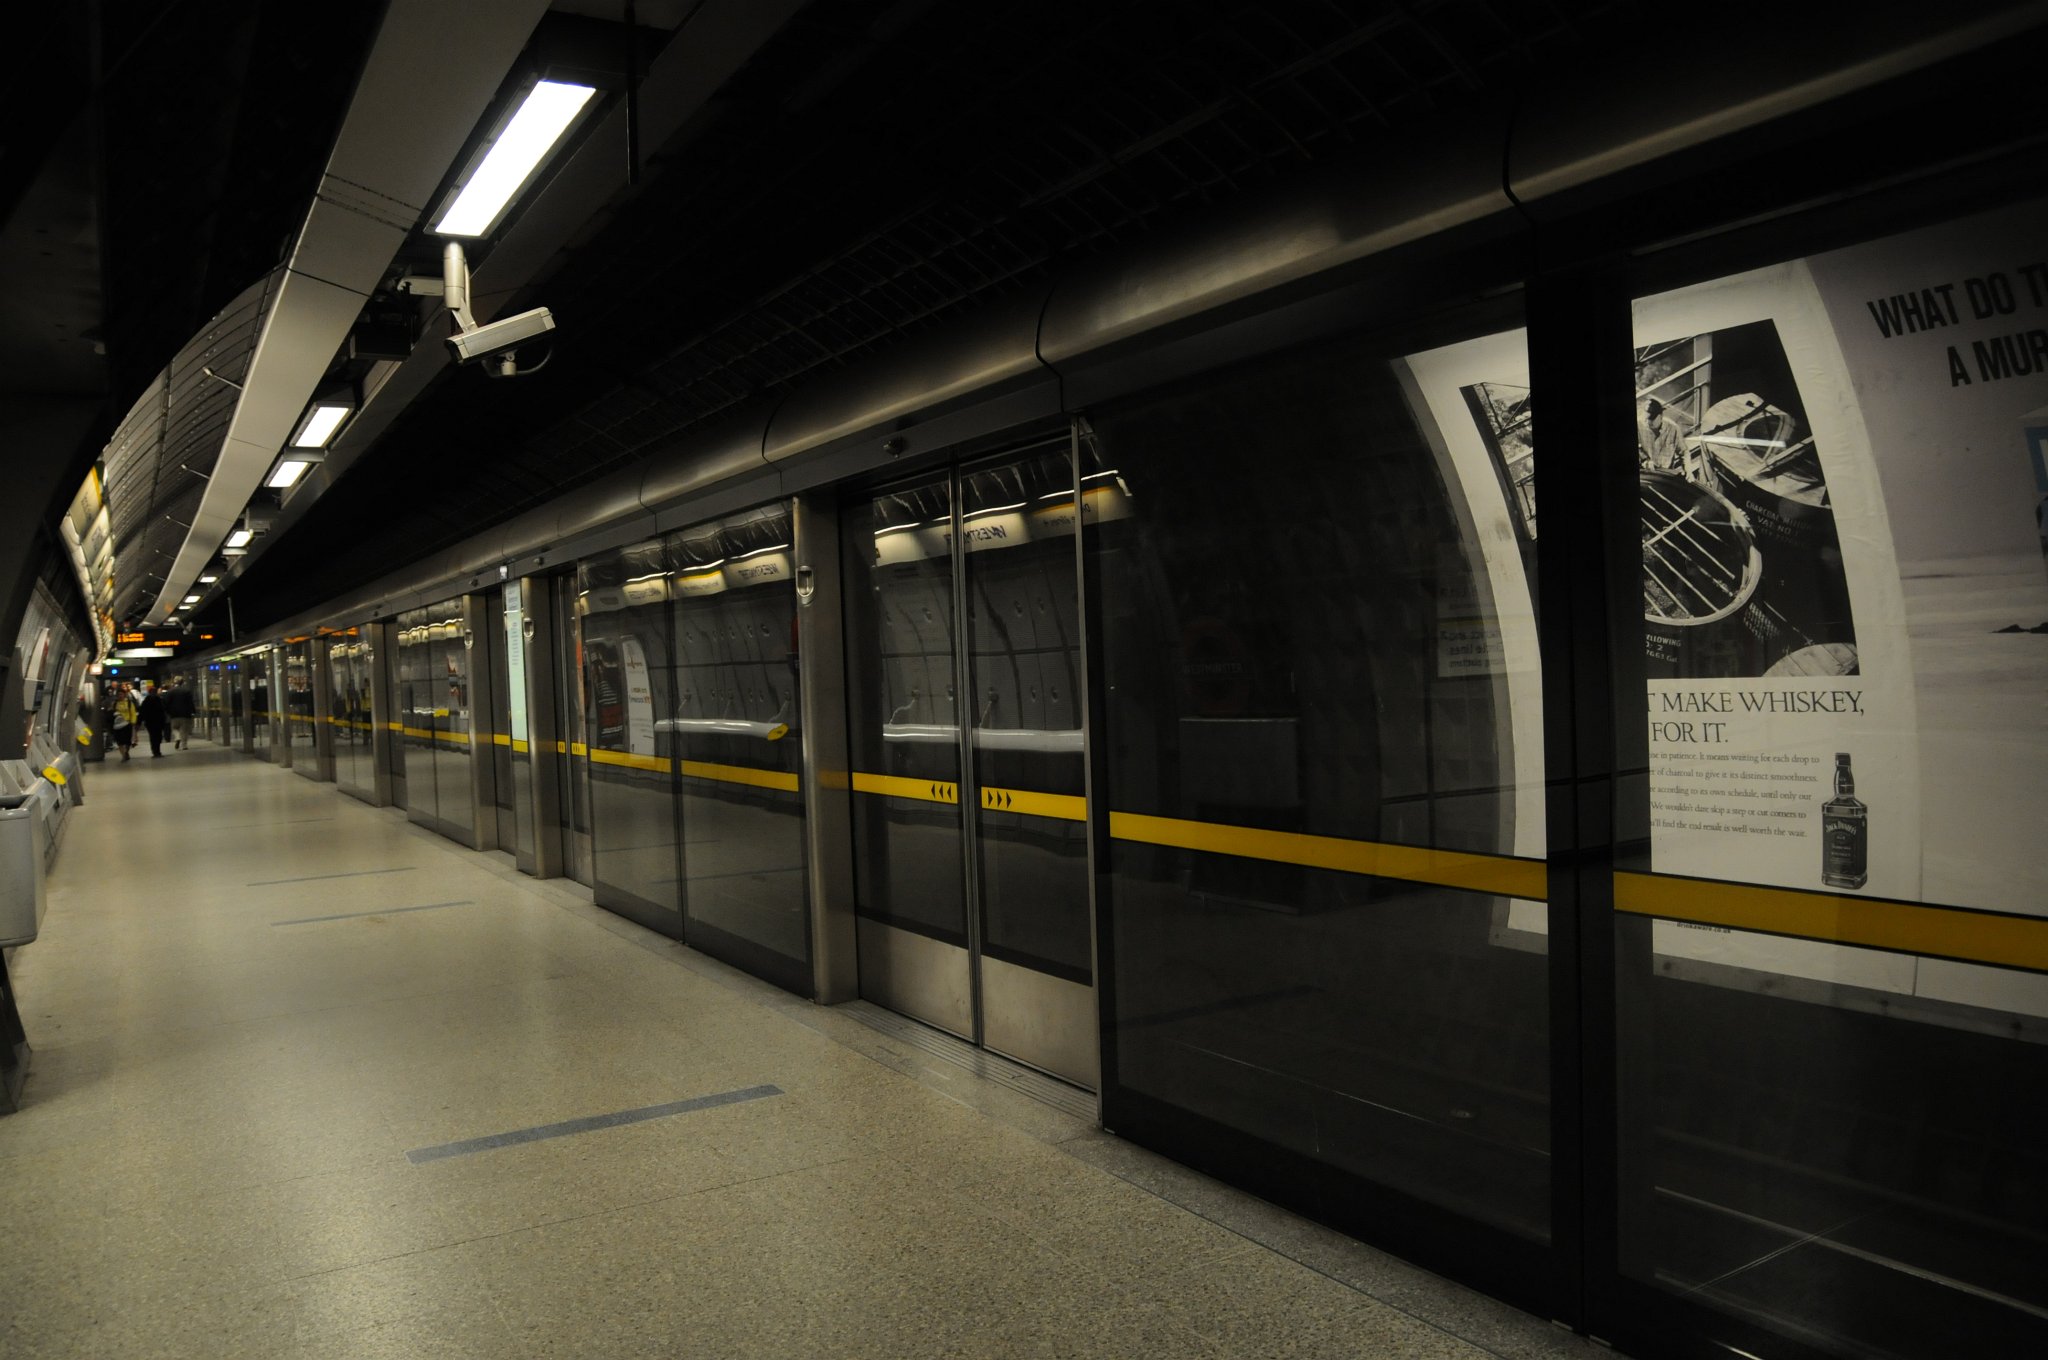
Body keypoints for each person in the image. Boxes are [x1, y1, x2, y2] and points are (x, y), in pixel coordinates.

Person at [138, 681, 168, 758]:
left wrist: (139, 721)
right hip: (152, 722)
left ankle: (156, 750)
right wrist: (139, 721)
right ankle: (156, 751)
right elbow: (143, 712)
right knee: (154, 736)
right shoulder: (150, 701)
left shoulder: (157, 700)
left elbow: (142, 712)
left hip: (156, 722)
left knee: (157, 737)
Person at [111, 683, 139, 761]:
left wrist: (133, 722)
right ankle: (123, 755)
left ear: (124, 695)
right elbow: (111, 712)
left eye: (121, 694)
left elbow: (133, 712)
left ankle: (126, 751)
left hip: (127, 724)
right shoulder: (115, 703)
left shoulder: (129, 703)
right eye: (119, 694)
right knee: (119, 741)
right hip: (117, 725)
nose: (120, 696)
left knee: (127, 741)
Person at [166, 678, 196, 749]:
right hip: (185, 714)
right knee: (184, 730)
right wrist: (193, 711)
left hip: (174, 714)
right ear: (183, 682)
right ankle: (184, 745)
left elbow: (167, 703)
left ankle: (177, 737)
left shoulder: (170, 691)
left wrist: (168, 712)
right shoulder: (187, 691)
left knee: (174, 728)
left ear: (174, 682)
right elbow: (190, 703)